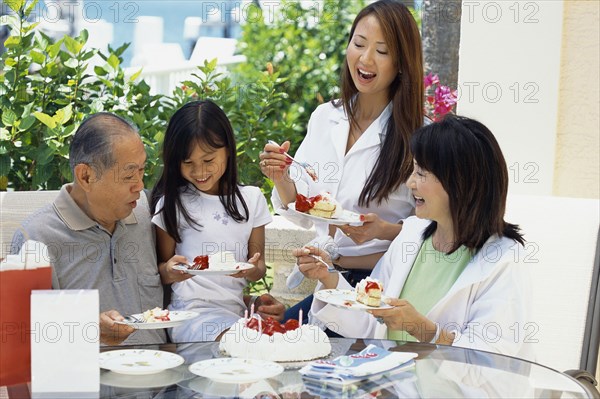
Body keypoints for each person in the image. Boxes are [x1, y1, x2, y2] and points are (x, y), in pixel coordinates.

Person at [294, 115, 534, 360]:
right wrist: (328, 276)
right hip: (391, 385)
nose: (410, 183)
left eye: (421, 173)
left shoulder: (503, 260)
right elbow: (369, 319)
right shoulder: (412, 234)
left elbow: (491, 362)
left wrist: (419, 327)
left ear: (459, 182)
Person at [259, 0, 423, 320]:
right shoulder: (325, 117)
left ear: (402, 62)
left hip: (383, 285)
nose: (365, 58)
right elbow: (304, 209)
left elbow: (436, 230)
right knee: (278, 337)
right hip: (329, 280)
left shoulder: (419, 137)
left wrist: (384, 230)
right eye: (359, 44)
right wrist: (282, 177)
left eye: (382, 50)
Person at [11, 113, 177, 345]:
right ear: (86, 176)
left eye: (141, 171)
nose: (140, 185)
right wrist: (87, 327)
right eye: (129, 175)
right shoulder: (36, 238)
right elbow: (19, 334)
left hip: (164, 376)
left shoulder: (144, 215)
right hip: (83, 380)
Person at [151, 100, 283, 342]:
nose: (199, 172)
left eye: (209, 160)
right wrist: (170, 271)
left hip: (235, 313)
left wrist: (253, 269)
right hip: (190, 315)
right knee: (242, 343)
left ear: (228, 150)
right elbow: (159, 272)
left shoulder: (251, 199)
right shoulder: (173, 203)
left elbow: (258, 267)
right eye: (188, 163)